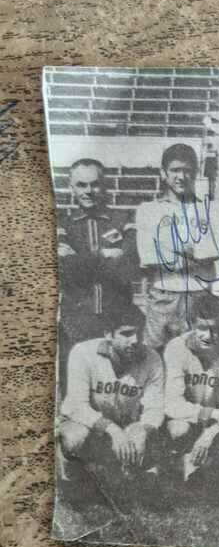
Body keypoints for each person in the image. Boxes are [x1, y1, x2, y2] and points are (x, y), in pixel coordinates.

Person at [57, 302, 165, 505]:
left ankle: (137, 475)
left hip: (126, 425)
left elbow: (155, 407)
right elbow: (77, 406)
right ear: (108, 333)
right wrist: (112, 430)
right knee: (74, 437)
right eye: (126, 334)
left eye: (139, 333)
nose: (135, 340)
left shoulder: (152, 358)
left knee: (148, 434)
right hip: (86, 424)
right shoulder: (83, 353)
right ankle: (69, 481)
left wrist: (143, 429)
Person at [135, 143, 219, 349]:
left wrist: (171, 248)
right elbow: (149, 255)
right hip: (164, 294)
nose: (181, 176)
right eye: (175, 170)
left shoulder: (211, 210)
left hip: (200, 294)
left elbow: (217, 249)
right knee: (156, 353)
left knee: (198, 353)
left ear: (196, 173)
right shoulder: (148, 210)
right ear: (163, 173)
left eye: (187, 171)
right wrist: (193, 252)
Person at [56, 158, 139, 382]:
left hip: (117, 320)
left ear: (104, 185)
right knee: (77, 389)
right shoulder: (62, 223)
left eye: (95, 184)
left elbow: (128, 266)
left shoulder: (123, 220)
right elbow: (65, 269)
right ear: (71, 187)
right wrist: (104, 255)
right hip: (76, 322)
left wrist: (80, 260)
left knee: (119, 386)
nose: (89, 191)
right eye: (81, 185)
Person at [162, 294, 219, 484]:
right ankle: (181, 461)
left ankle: (206, 468)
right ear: (192, 325)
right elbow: (171, 404)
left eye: (215, 329)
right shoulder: (176, 348)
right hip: (191, 418)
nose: (208, 336)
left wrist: (211, 432)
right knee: (178, 429)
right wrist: (212, 414)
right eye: (202, 328)